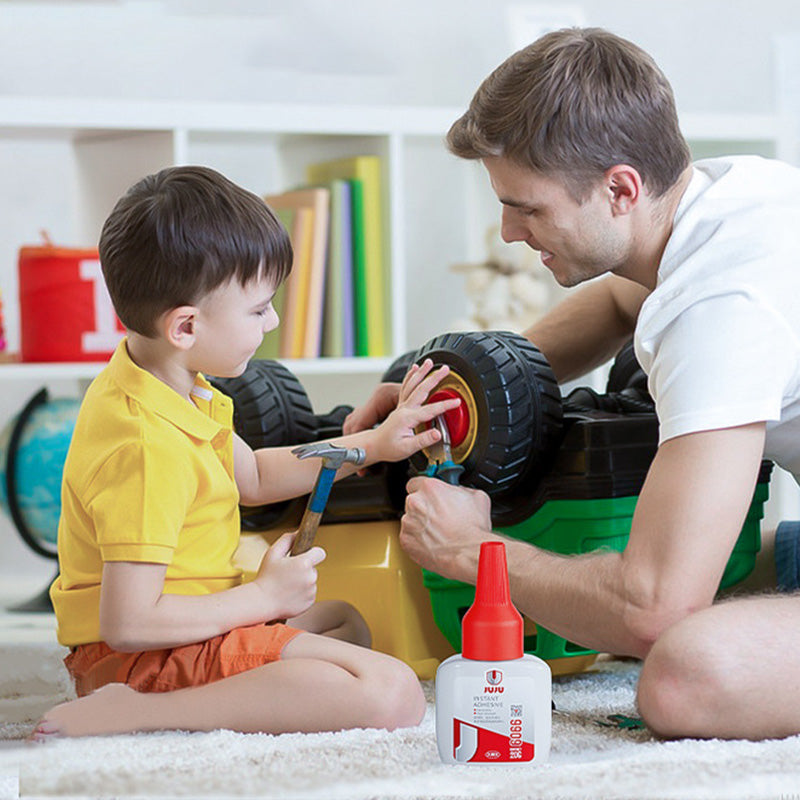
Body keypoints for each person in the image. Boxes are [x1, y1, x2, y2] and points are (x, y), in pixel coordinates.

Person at [344, 28, 800, 740]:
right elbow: (623, 300)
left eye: (527, 207)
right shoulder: (725, 197)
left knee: (685, 672)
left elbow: (656, 611)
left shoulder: (722, 310)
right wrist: (464, 388)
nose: (507, 232)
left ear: (620, 188)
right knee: (669, 579)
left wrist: (473, 553)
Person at [33, 165, 459, 740]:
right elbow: (129, 622)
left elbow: (254, 473)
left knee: (345, 624)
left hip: (186, 628)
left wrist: (376, 444)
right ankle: (132, 712)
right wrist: (261, 597)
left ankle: (218, 692)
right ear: (185, 326)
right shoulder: (144, 445)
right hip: (141, 657)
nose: (274, 320)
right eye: (259, 310)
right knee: (395, 694)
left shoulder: (171, 382)